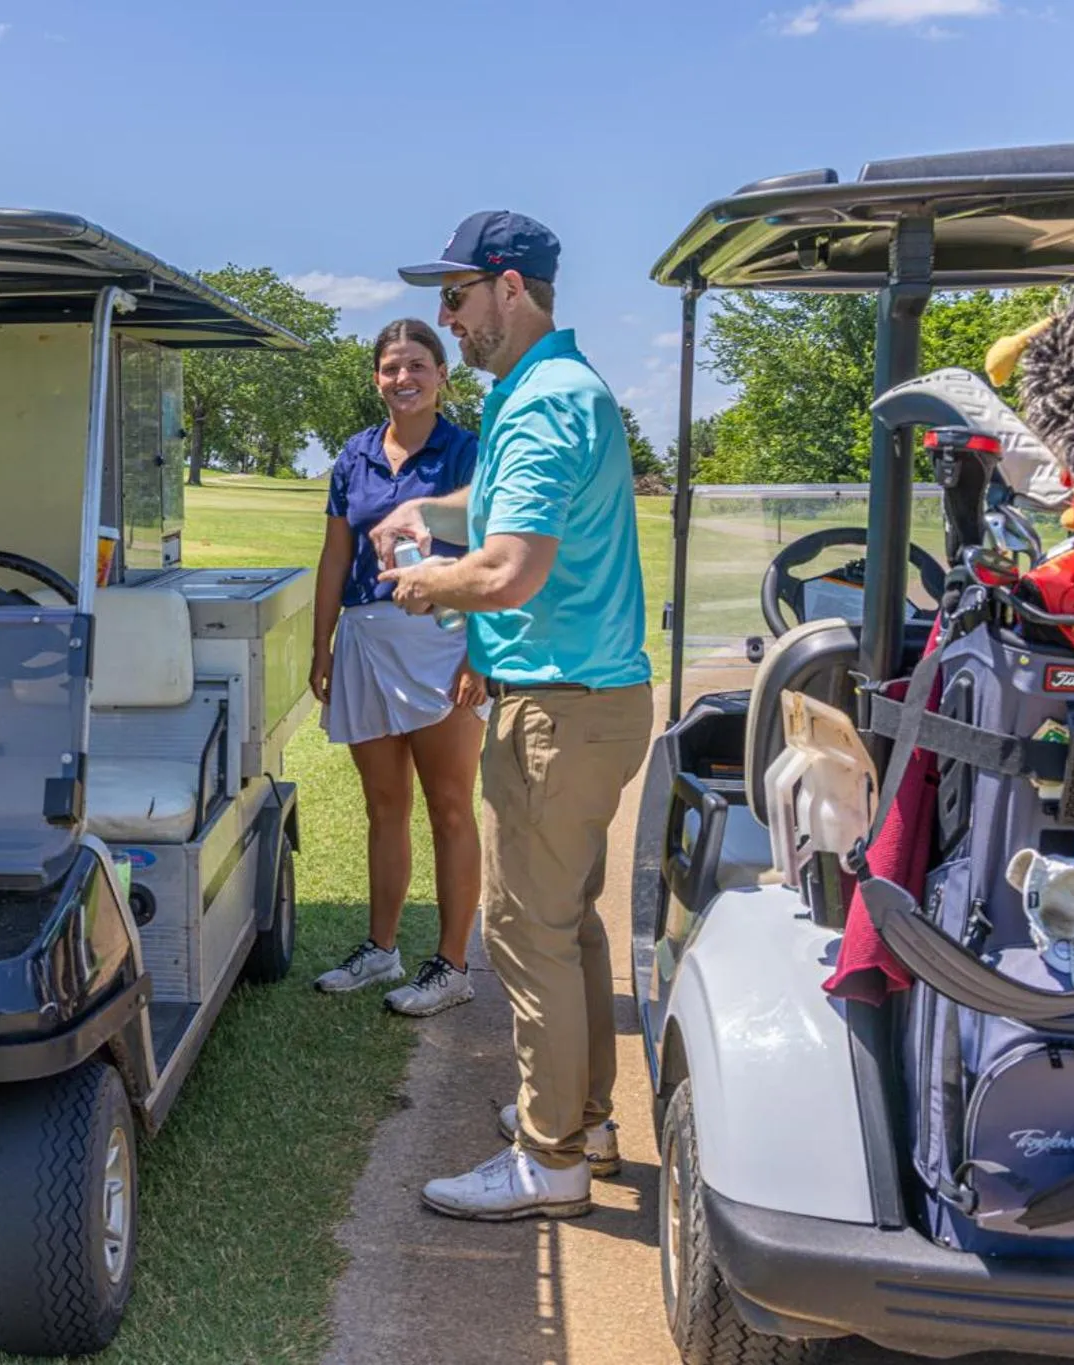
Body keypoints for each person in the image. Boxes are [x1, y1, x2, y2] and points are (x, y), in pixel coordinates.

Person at [374, 211, 654, 1221]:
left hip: (555, 710)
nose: (447, 319)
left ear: (508, 287)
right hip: (590, 702)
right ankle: (582, 1119)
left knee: (527, 933)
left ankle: (549, 1158)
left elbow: (507, 569)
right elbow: (507, 513)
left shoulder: (539, 403)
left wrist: (426, 582)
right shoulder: (549, 388)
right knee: (565, 924)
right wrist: (429, 511)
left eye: (455, 298)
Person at [310, 319, 487, 1017]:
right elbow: (335, 556)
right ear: (376, 378)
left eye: (417, 364)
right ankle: (381, 949)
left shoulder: (469, 452)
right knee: (383, 806)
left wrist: (479, 652)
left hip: (443, 640)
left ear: (443, 374)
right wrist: (321, 644)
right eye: (390, 367)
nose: (403, 378)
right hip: (364, 638)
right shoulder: (353, 455)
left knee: (450, 806)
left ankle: (452, 966)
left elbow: (495, 556)